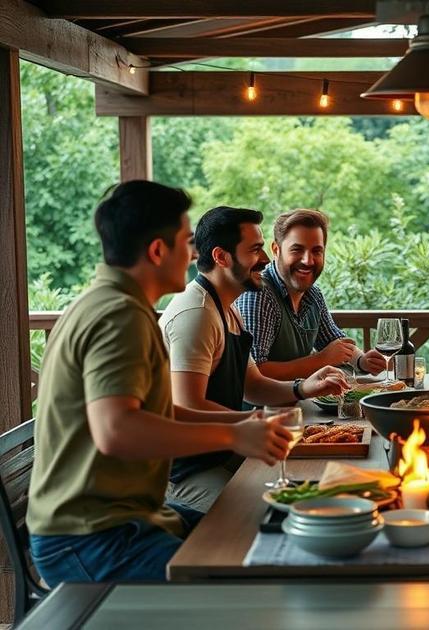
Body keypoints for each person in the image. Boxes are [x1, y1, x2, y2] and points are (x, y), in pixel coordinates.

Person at [27, 181, 295, 585]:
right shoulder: (120, 316)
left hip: (127, 519)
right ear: (157, 250)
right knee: (242, 579)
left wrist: (239, 427)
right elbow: (117, 431)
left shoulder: (111, 303)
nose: (193, 255)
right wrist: (232, 438)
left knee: (260, 529)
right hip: (92, 537)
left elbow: (153, 412)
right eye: (186, 242)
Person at [159, 206, 348, 512]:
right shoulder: (196, 314)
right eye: (255, 250)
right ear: (222, 257)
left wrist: (303, 388)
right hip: (181, 471)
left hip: (219, 453)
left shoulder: (228, 308)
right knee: (261, 513)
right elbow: (187, 404)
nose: (264, 260)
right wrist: (256, 422)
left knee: (311, 486)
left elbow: (254, 385)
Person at [236, 209, 386, 379]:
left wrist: (362, 361)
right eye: (297, 250)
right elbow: (254, 372)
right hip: (261, 406)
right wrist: (321, 360)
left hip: (299, 401)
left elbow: (333, 339)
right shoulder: (258, 294)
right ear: (276, 250)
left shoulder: (312, 294)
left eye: (316, 251)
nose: (308, 260)